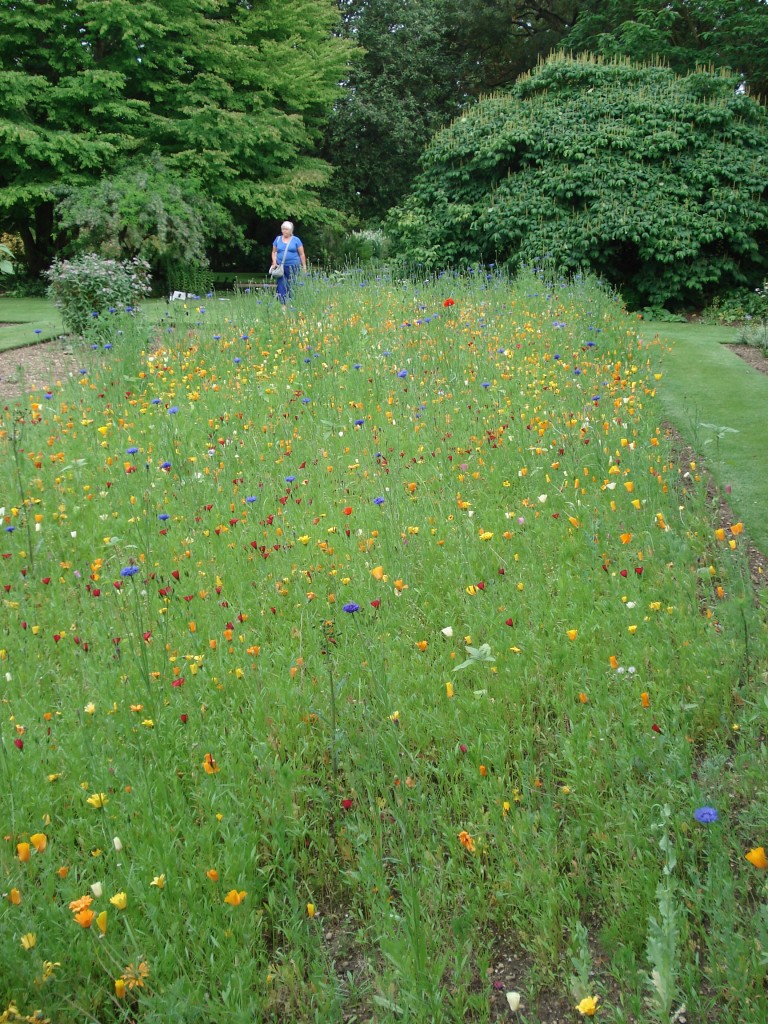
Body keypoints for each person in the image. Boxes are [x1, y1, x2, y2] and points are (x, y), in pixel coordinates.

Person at [271, 221, 306, 305]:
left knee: (293, 284)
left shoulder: (296, 240)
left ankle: (292, 302)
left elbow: (301, 254)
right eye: (283, 229)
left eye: (286, 229)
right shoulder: (278, 239)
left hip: (294, 266)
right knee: (281, 285)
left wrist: (304, 266)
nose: (284, 231)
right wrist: (274, 262)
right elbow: (273, 252)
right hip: (281, 267)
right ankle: (283, 305)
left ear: (291, 230)